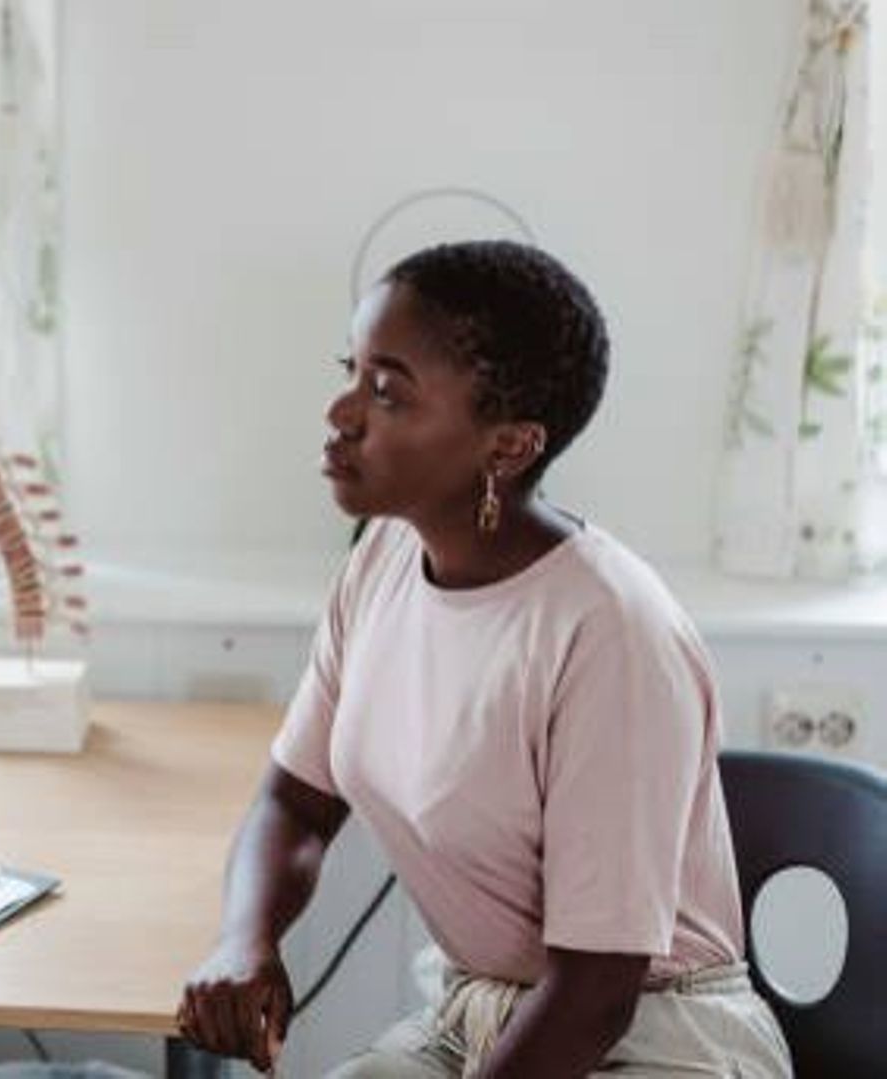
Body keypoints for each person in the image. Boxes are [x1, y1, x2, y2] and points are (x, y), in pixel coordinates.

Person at [177, 241, 791, 1078]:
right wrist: (244, 940)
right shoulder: (383, 558)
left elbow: (597, 990)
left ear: (507, 447)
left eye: (388, 392)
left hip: (649, 1040)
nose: (341, 410)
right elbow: (296, 798)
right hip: (477, 1014)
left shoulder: (610, 632)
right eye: (351, 370)